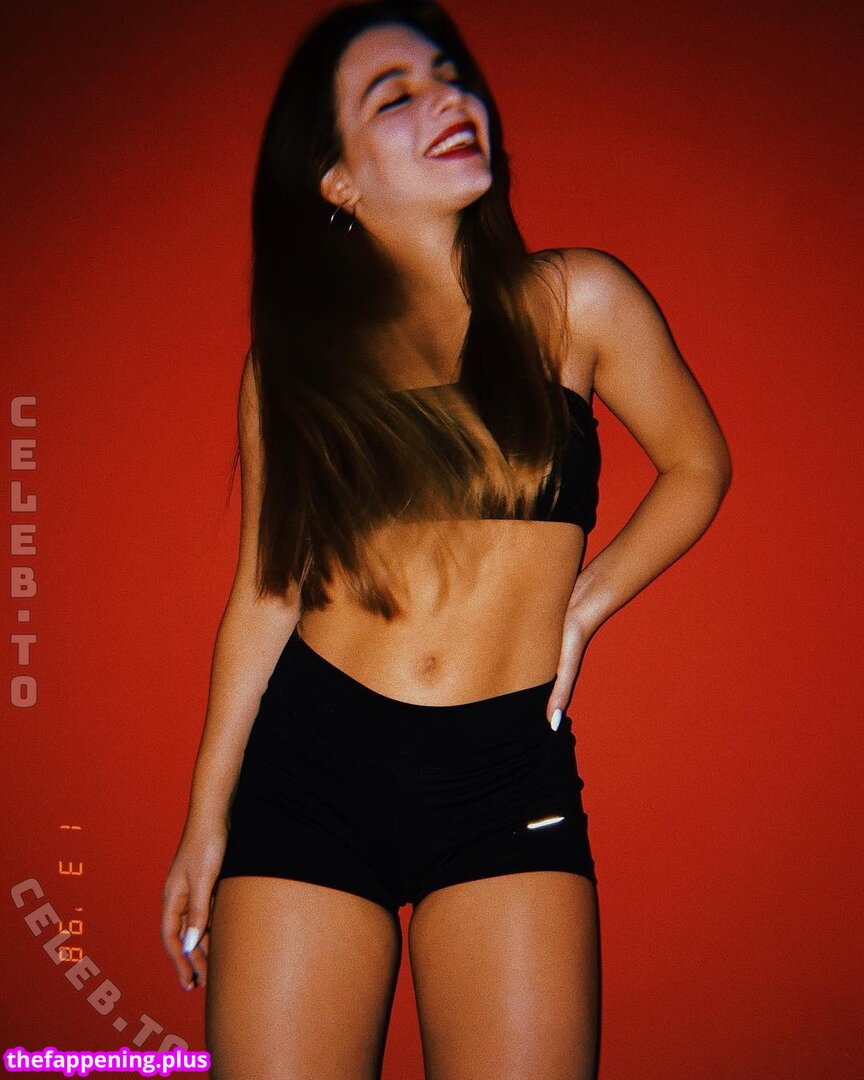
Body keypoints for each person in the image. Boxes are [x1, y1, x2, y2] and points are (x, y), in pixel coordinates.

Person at [161, 1, 732, 1076]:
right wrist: (206, 819)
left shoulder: (578, 299)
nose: (449, 97)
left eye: (449, 73)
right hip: (308, 772)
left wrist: (586, 608)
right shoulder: (292, 366)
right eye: (396, 95)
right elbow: (269, 590)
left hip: (504, 777)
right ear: (337, 179)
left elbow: (699, 465)